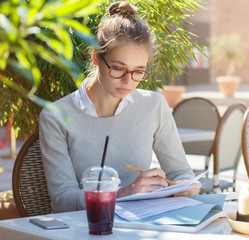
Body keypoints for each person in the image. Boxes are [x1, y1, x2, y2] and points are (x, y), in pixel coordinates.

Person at [39, 1, 200, 213]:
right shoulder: (56, 117)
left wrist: (185, 186)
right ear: (96, 57)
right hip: (84, 227)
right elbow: (62, 200)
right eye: (118, 69)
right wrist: (126, 192)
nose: (128, 81)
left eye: (138, 72)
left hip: (142, 226)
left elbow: (180, 172)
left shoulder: (154, 105)